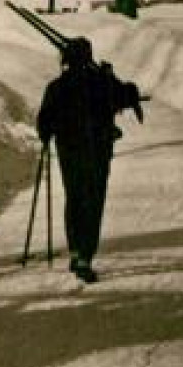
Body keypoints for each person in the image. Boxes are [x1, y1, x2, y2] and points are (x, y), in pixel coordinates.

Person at [35, 39, 143, 283]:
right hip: (97, 151)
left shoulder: (56, 87)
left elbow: (44, 122)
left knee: (74, 198)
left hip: (69, 152)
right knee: (93, 201)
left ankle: (76, 251)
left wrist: (46, 134)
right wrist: (111, 75)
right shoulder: (101, 82)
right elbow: (126, 96)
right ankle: (85, 254)